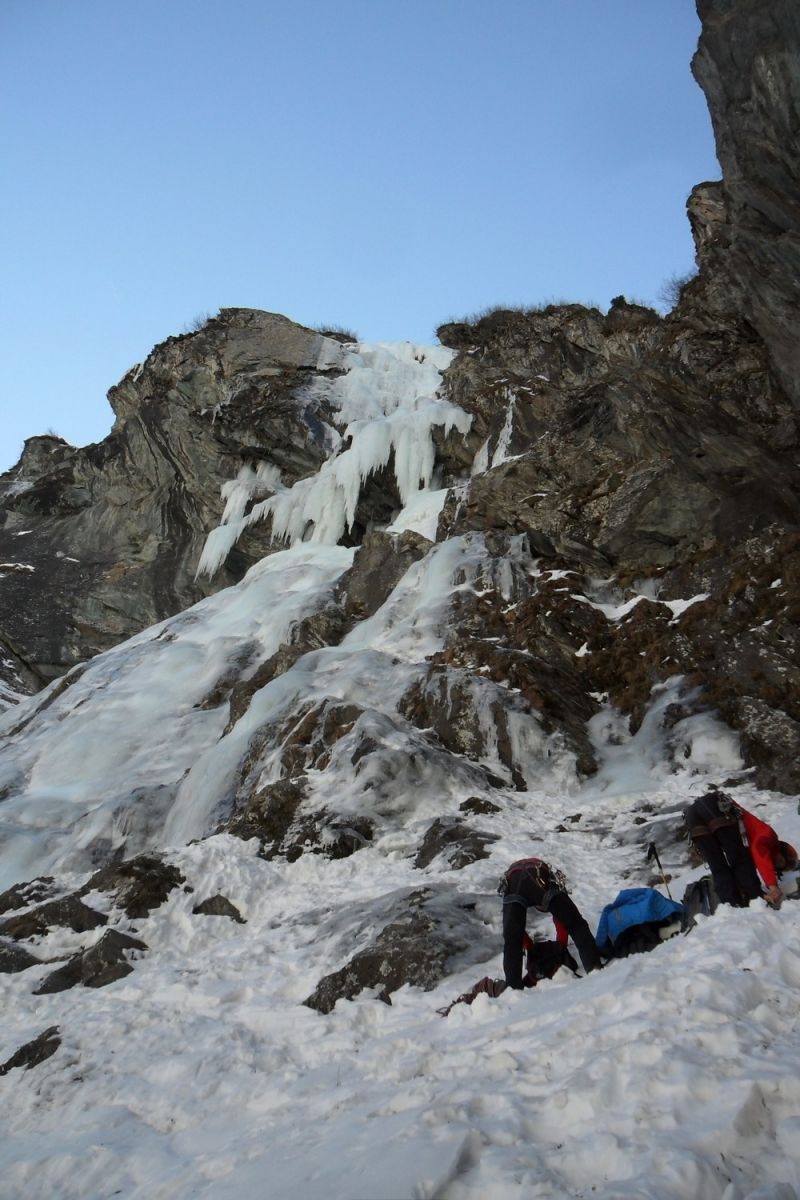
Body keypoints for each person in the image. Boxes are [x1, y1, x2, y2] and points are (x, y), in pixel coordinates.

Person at [683, 788, 798, 909]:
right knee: (740, 859)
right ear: (781, 849)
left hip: (692, 816)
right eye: (780, 860)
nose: (774, 861)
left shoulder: (761, 845)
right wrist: (772, 886)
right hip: (715, 809)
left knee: (719, 867)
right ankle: (755, 900)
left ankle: (732, 906)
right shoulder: (769, 835)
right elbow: (759, 851)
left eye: (777, 865)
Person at [498, 857, 602, 987]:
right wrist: (560, 946)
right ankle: (595, 969)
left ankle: (513, 989)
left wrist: (529, 946)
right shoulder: (549, 886)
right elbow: (564, 921)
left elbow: (516, 931)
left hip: (513, 880)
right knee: (577, 926)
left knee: (512, 941)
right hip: (539, 875)